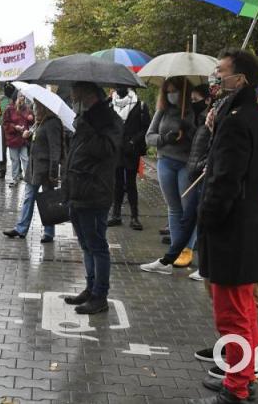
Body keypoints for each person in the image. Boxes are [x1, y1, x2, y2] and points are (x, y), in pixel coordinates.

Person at [187, 50, 258, 404]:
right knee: (245, 314)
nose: (215, 77)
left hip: (232, 231)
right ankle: (243, 376)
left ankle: (235, 389)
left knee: (233, 316)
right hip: (250, 226)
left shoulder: (237, 120)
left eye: (221, 71)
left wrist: (206, 219)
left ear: (240, 79)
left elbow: (225, 179)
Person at [61, 82, 122, 315]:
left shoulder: (109, 120)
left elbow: (107, 150)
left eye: (76, 96)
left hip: (95, 191)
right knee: (86, 244)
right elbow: (75, 155)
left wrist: (87, 130)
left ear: (89, 95)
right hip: (78, 190)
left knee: (97, 246)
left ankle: (100, 295)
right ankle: (90, 287)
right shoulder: (84, 118)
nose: (74, 101)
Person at [146, 77, 196, 251]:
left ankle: (187, 247)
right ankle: (176, 248)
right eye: (167, 92)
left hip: (186, 163)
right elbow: (149, 136)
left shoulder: (194, 110)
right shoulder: (163, 111)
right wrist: (164, 139)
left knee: (187, 208)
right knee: (174, 208)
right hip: (165, 161)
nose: (171, 95)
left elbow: (203, 139)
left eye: (174, 91)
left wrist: (189, 130)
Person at [3, 100, 63, 242]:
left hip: (46, 169)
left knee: (48, 200)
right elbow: (37, 143)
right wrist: (29, 138)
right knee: (29, 197)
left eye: (36, 106)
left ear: (44, 107)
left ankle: (49, 232)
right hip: (34, 168)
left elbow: (55, 149)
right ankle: (21, 228)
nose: (34, 109)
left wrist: (54, 172)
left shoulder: (52, 123)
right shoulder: (40, 122)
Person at [108, 87, 150, 230]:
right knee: (117, 184)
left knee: (131, 184)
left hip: (131, 150)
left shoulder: (140, 105)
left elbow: (145, 128)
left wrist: (133, 141)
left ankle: (134, 217)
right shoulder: (110, 104)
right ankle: (116, 214)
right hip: (116, 149)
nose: (119, 89)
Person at [2, 92, 34, 187]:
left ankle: (28, 178)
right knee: (15, 160)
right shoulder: (9, 109)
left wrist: (31, 118)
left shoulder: (27, 109)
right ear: (15, 98)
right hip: (12, 139)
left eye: (23, 97)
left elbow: (33, 123)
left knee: (25, 159)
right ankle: (15, 178)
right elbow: (5, 123)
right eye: (20, 96)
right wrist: (15, 127)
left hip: (24, 139)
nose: (22, 98)